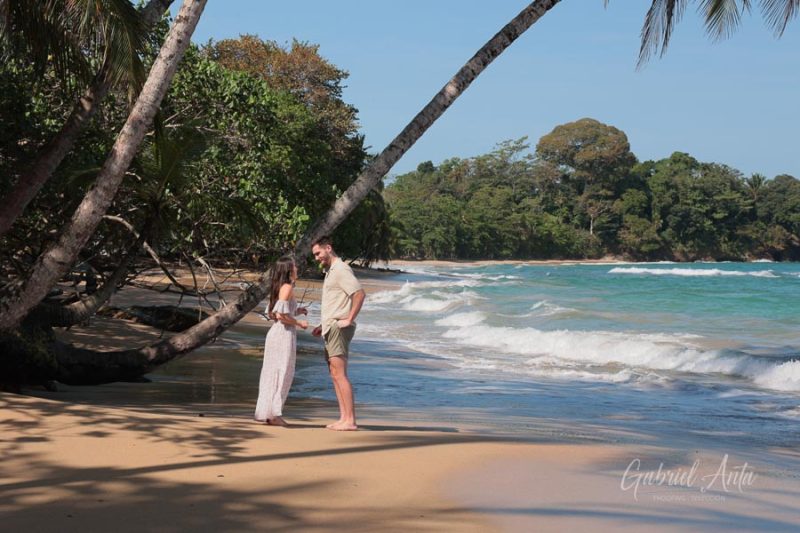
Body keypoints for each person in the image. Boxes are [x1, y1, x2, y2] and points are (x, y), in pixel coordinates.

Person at [311, 236, 365, 431]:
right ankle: (344, 418)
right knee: (334, 373)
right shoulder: (331, 271)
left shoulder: (341, 269)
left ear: (328, 248)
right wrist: (321, 325)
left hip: (339, 327)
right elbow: (335, 303)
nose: (317, 258)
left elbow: (359, 293)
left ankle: (350, 420)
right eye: (315, 255)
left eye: (318, 253)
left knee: (340, 374)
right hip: (330, 326)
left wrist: (349, 319)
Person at [254, 255, 308, 426]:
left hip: (279, 333)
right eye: (295, 267)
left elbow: (277, 312)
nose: (297, 269)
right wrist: (298, 322)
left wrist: (297, 310)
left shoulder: (279, 287)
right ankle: (275, 414)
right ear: (288, 270)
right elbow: (279, 315)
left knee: (274, 372)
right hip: (283, 334)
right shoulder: (287, 287)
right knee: (283, 372)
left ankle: (270, 413)